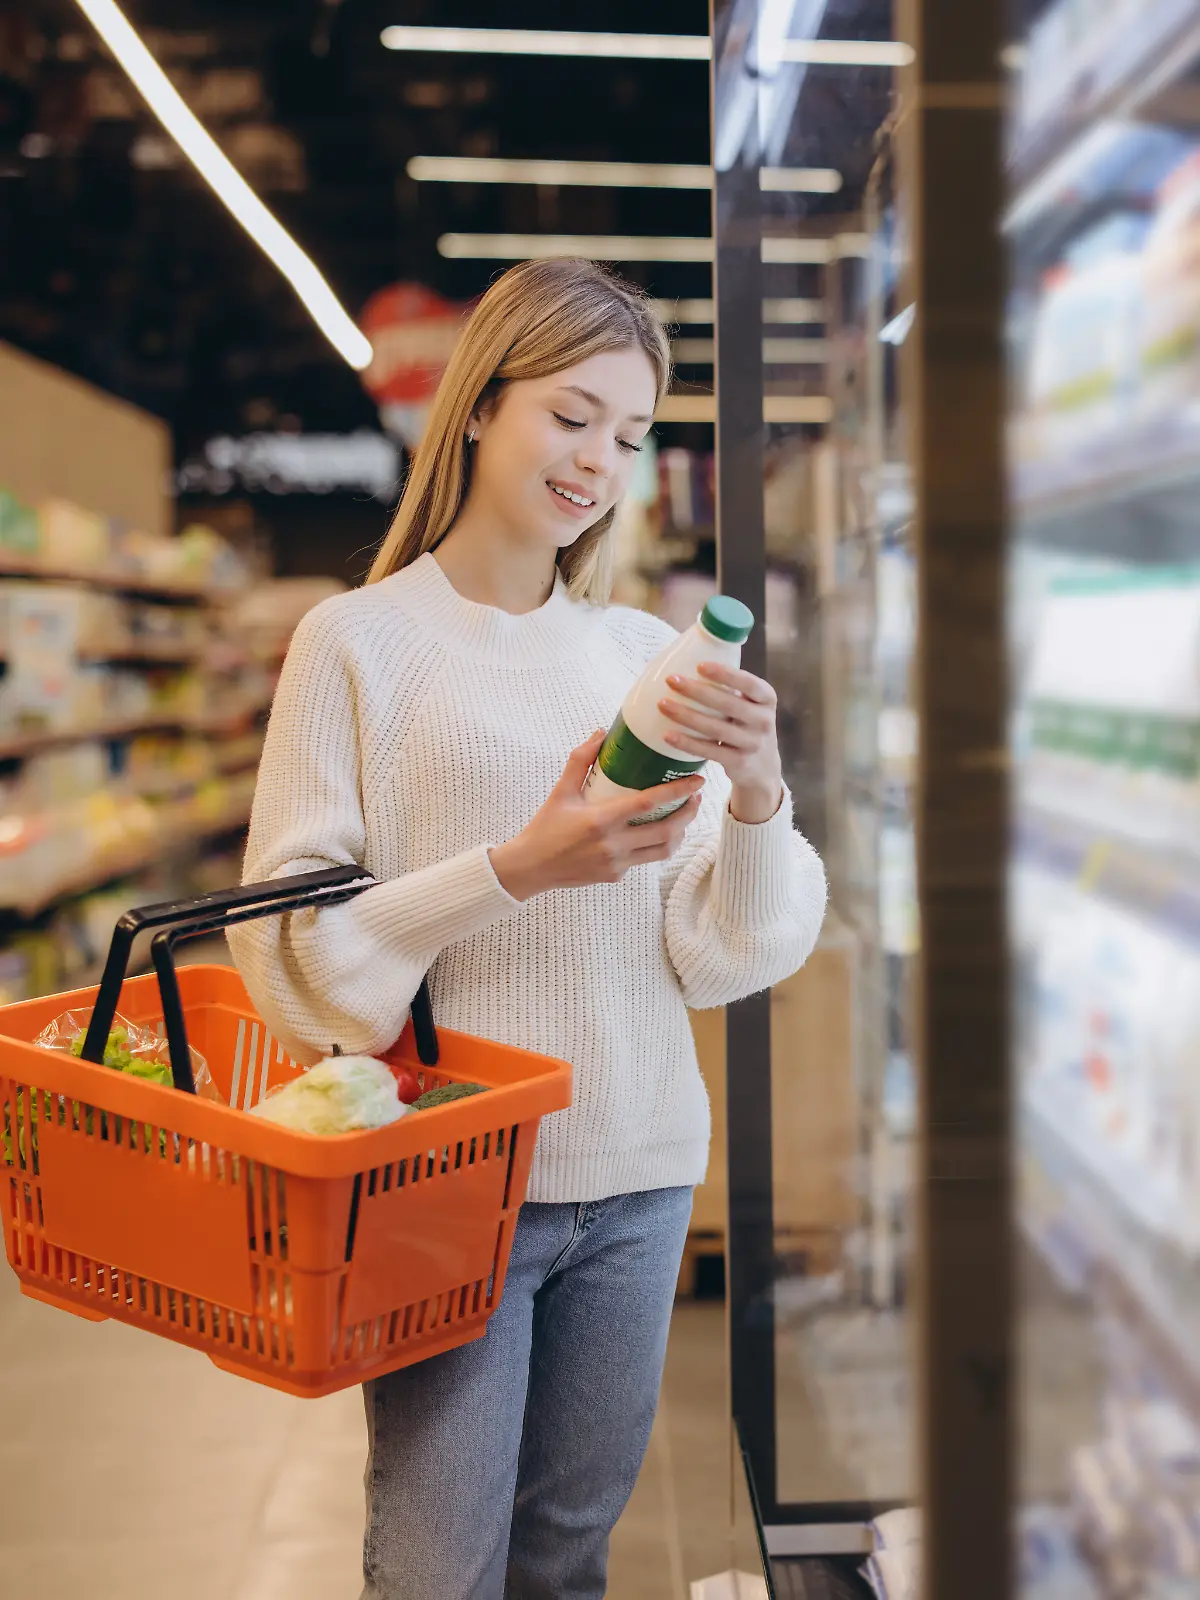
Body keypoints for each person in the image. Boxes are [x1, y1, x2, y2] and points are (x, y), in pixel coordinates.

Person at [229, 257, 827, 1600]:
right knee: (436, 1570)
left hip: (640, 1170)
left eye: (630, 433)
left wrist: (763, 798)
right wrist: (517, 867)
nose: (600, 460)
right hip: (448, 1182)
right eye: (572, 414)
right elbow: (297, 978)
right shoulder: (356, 644)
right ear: (482, 404)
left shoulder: (639, 660)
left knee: (568, 1562)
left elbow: (722, 954)